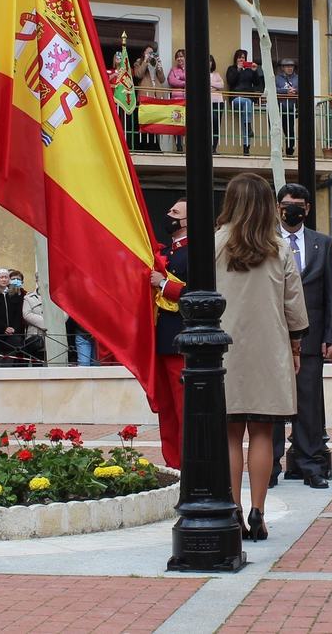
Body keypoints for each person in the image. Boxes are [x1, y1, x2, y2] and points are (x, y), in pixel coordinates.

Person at [214, 173, 309, 541]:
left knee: (230, 435)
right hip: (270, 350)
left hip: (225, 350)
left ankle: (233, 508)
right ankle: (258, 511)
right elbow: (294, 306)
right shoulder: (279, 247)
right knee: (264, 433)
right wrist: (296, 346)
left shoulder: (216, 243)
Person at [272, 183, 332, 489]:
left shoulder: (322, 243)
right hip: (272, 337)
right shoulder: (265, 240)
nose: (293, 209)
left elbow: (331, 293)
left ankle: (310, 463)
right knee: (271, 405)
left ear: (308, 209)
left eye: (299, 204)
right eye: (288, 204)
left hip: (311, 339)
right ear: (278, 207)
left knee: (309, 404)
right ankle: (270, 464)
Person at [151, 199, 190, 468]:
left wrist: (163, 284)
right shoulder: (166, 252)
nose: (168, 215)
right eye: (169, 210)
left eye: (175, 212)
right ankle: (172, 462)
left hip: (181, 338)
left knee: (183, 408)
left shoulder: (196, 252)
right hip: (162, 338)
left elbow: (200, 294)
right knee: (166, 408)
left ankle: (187, 464)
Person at [225, 49, 265, 155]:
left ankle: (246, 148)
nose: (241, 59)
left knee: (245, 118)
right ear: (236, 58)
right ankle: (248, 126)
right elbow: (230, 81)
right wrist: (238, 70)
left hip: (247, 100)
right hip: (235, 99)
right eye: (239, 57)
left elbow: (257, 83)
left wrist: (255, 71)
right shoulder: (232, 69)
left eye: (243, 57)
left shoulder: (249, 70)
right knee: (247, 103)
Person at [275, 59, 300, 155]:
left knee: (290, 131)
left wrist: (295, 91)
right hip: (278, 108)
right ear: (282, 68)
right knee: (277, 131)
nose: (290, 68)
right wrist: (286, 92)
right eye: (287, 66)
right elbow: (272, 89)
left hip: (291, 108)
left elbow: (304, 87)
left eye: (291, 66)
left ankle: (290, 151)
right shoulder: (277, 78)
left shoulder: (297, 78)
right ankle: (278, 151)